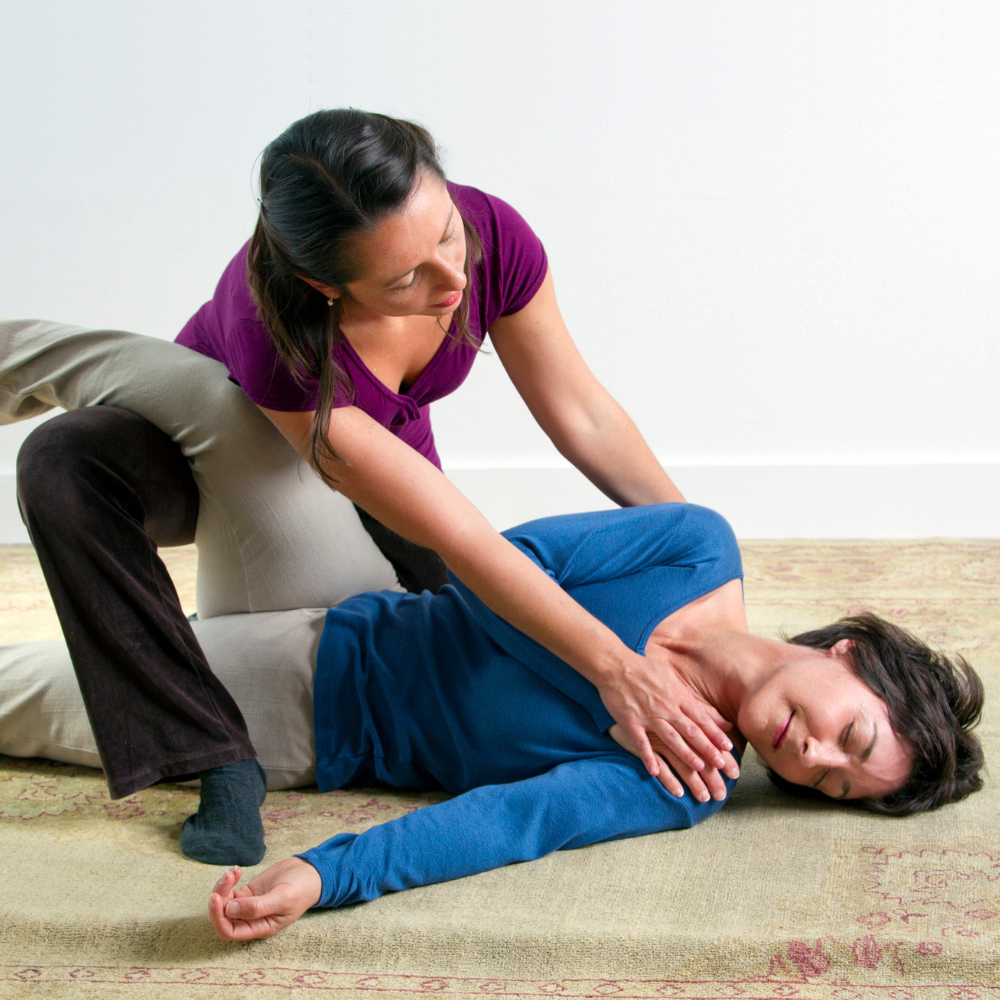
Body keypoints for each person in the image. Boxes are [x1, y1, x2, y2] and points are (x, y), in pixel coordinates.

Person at [0, 110, 737, 866]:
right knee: (62, 457)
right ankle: (214, 753)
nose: (453, 280)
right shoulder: (276, 327)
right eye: (405, 278)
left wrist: (709, 576)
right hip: (205, 461)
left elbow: (583, 415)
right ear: (324, 284)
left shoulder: (493, 236)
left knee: (463, 634)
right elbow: (458, 533)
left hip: (377, 479)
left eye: (447, 234)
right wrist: (617, 669)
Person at [0, 505, 983, 935]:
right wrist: (615, 674)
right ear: (848, 653)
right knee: (223, 400)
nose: (808, 756)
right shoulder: (695, 546)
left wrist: (326, 873)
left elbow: (513, 823)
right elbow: (479, 564)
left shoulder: (686, 776)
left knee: (22, 691)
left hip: (307, 701)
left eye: (831, 783)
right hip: (339, 587)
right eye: (850, 735)